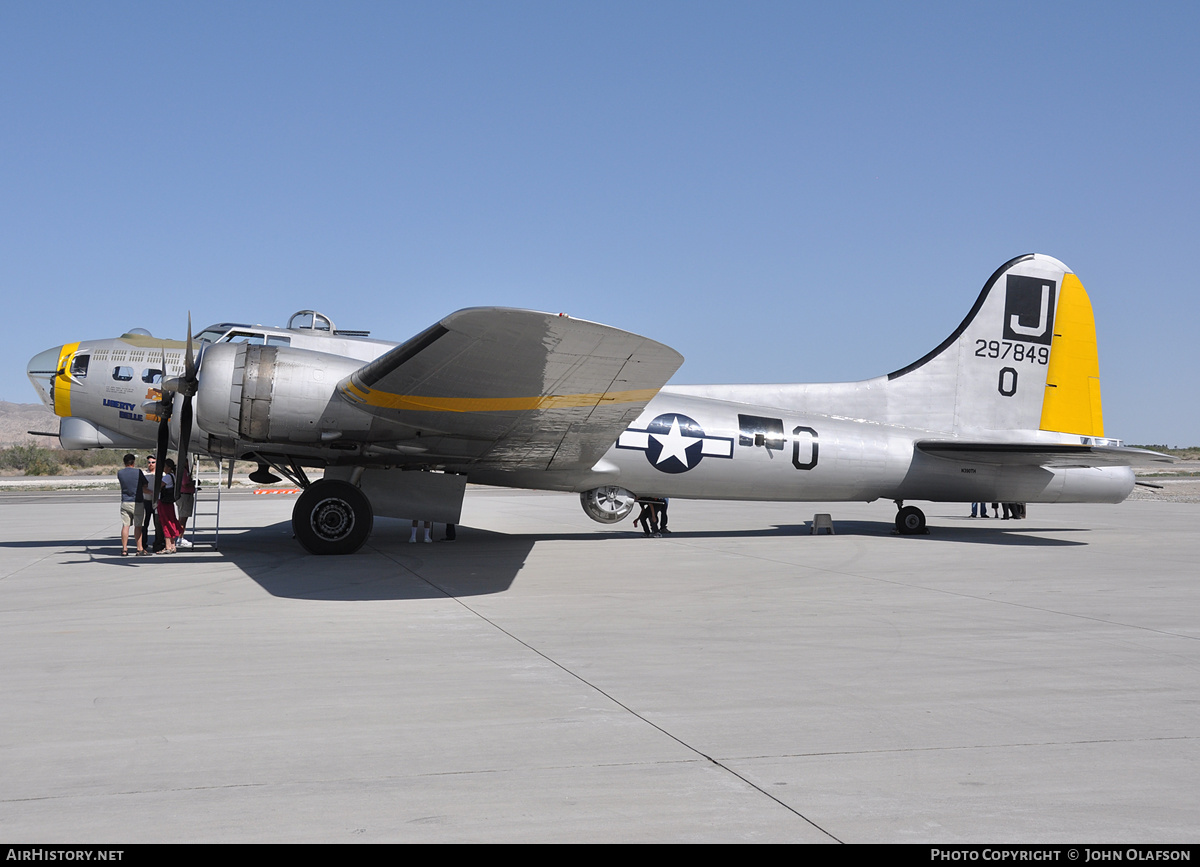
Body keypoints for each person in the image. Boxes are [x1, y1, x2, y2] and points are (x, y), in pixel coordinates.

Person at [117, 454, 147, 556]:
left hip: (125, 501)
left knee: (125, 525)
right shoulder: (138, 472)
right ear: (133, 462)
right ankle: (139, 548)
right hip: (137, 501)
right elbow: (145, 484)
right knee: (138, 526)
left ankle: (124, 549)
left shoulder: (120, 473)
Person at [156, 458, 182, 554]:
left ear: (168, 467)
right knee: (171, 521)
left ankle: (167, 546)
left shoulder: (167, 477)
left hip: (163, 502)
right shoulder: (173, 476)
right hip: (169, 502)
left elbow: (159, 487)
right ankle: (172, 545)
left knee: (165, 522)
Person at [141, 455, 163, 553]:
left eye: (153, 462)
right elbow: (141, 487)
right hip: (146, 501)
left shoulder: (161, 474)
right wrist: (150, 492)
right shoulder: (143, 473)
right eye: (149, 462)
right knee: (144, 524)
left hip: (157, 501)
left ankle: (158, 544)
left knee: (158, 524)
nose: (151, 464)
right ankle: (143, 544)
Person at [175, 462, 196, 548]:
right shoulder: (183, 471)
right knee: (183, 519)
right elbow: (185, 483)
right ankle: (180, 538)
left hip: (184, 495)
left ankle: (180, 537)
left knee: (182, 518)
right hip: (185, 496)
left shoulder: (184, 470)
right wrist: (194, 482)